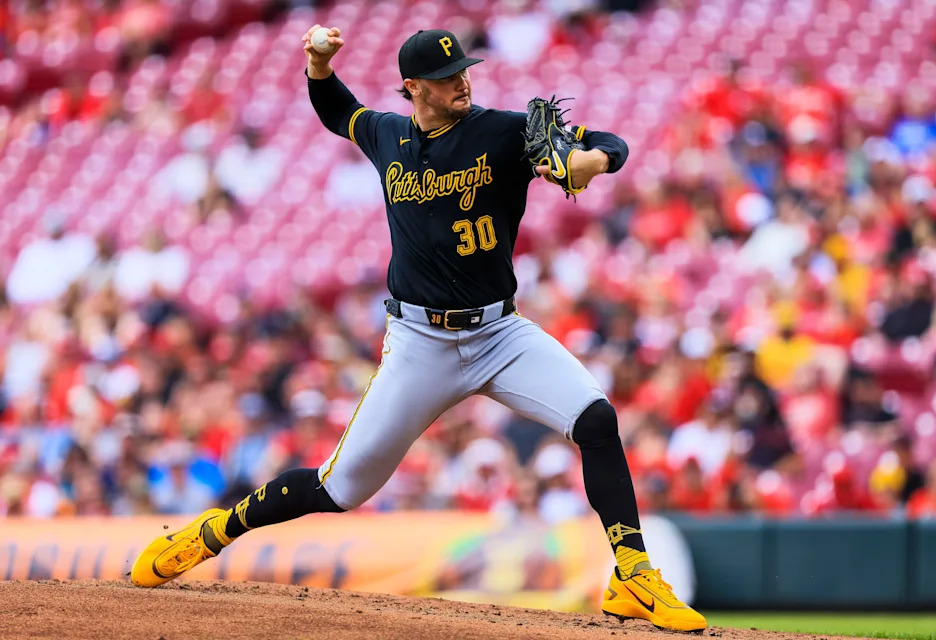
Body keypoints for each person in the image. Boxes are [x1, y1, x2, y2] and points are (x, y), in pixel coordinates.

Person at [130, 26, 706, 632]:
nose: (463, 82)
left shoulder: (504, 131)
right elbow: (338, 112)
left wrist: (592, 158)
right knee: (338, 490)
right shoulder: (388, 135)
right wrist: (317, 66)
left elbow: (608, 141)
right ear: (413, 88)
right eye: (446, 77)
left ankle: (633, 575)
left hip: (500, 335)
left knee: (596, 418)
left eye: (464, 71)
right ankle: (214, 531)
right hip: (419, 343)